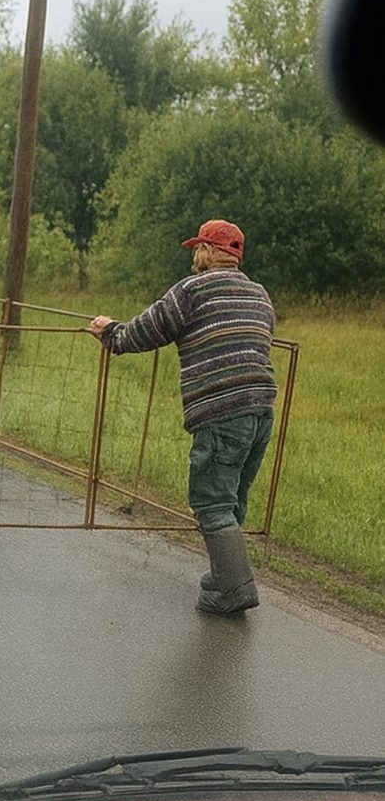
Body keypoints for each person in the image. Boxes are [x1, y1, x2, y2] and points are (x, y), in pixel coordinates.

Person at [86, 219, 277, 615]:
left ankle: (234, 592)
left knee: (211, 501)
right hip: (261, 409)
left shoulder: (192, 290)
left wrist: (111, 333)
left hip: (221, 412)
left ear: (209, 252)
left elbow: (148, 330)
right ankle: (224, 576)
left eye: (198, 248)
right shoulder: (260, 295)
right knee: (233, 496)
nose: (194, 256)